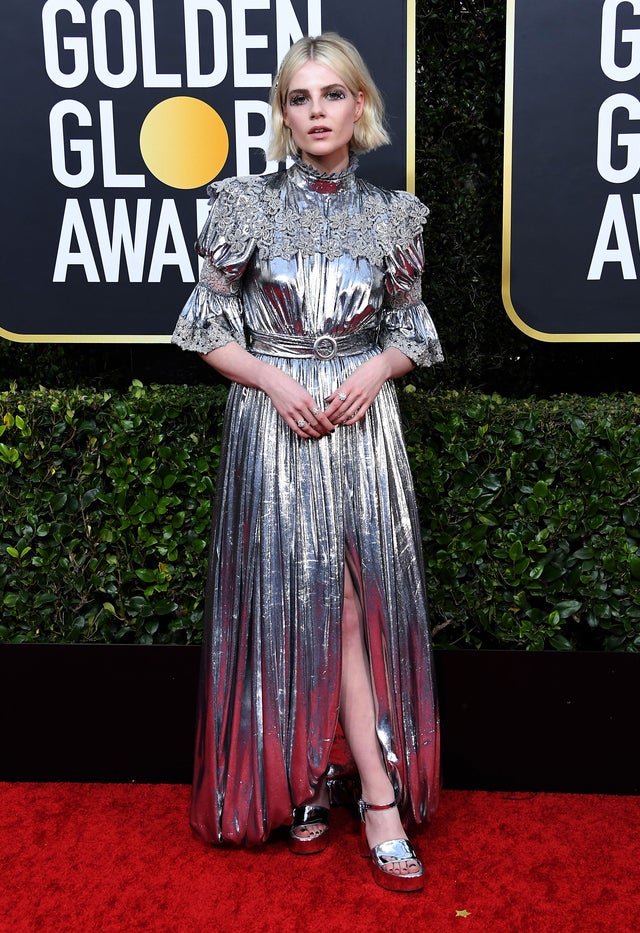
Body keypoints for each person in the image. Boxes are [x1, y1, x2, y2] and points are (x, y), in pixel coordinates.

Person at [172, 32, 443, 892]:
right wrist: (273, 382)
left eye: (333, 95)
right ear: (284, 115)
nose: (317, 111)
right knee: (293, 601)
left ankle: (373, 793)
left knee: (353, 609)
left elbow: (413, 332)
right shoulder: (244, 204)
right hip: (275, 422)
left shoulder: (394, 216)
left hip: (362, 428)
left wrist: (372, 370)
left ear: (360, 106)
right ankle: (306, 776)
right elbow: (205, 327)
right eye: (300, 98)